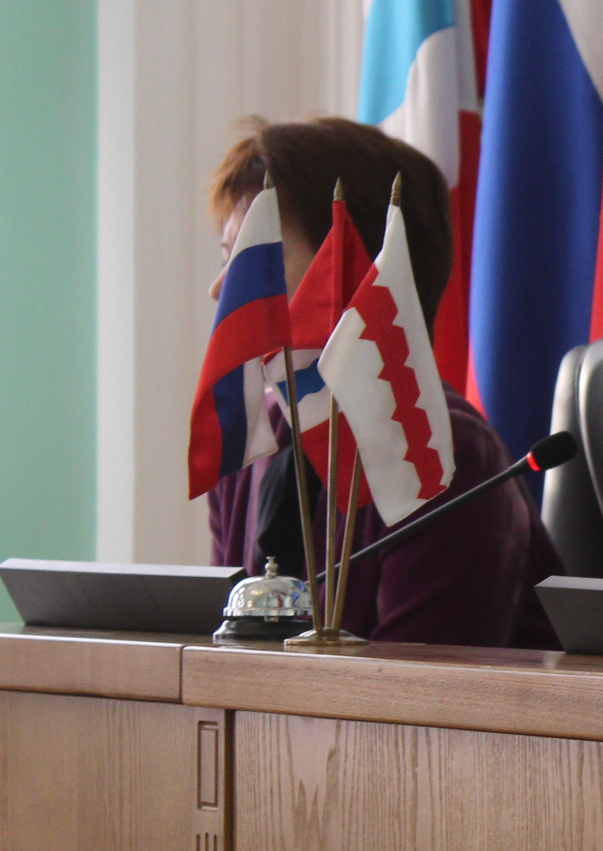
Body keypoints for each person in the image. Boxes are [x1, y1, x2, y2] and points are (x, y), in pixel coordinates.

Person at [204, 118, 563, 647]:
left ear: (355, 271)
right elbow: (225, 653)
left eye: (256, 257)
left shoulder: (440, 457)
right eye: (226, 258)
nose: (221, 289)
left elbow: (414, 688)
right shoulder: (254, 440)